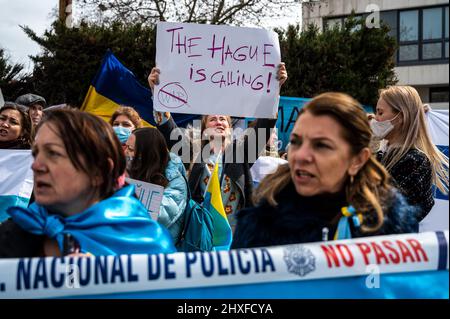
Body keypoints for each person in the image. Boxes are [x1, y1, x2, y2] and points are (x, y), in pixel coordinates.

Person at [231, 92, 418, 249]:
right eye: (296, 142)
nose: (301, 155)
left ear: (357, 160)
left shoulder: (391, 226)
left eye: (321, 145)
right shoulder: (260, 223)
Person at [0, 109, 175, 258]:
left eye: (53, 153)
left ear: (100, 171)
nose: (36, 166)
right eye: (36, 153)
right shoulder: (14, 231)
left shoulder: (150, 248)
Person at [148, 64, 288, 230]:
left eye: (223, 119)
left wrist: (275, 88)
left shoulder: (241, 153)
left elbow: (264, 125)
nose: (219, 122)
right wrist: (157, 92)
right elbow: (167, 127)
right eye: (213, 119)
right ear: (204, 129)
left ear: (230, 128)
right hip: (200, 235)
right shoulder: (192, 154)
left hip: (234, 236)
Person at [370, 86, 448, 225]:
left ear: (400, 117)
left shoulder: (416, 161)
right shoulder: (382, 154)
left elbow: (386, 209)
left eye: (380, 113)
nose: (375, 119)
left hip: (393, 244)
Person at [125, 127, 188, 243]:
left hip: (158, 250)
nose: (126, 152)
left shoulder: (176, 182)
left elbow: (160, 216)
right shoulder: (129, 171)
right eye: (126, 147)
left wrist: (124, 194)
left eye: (131, 149)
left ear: (147, 154)